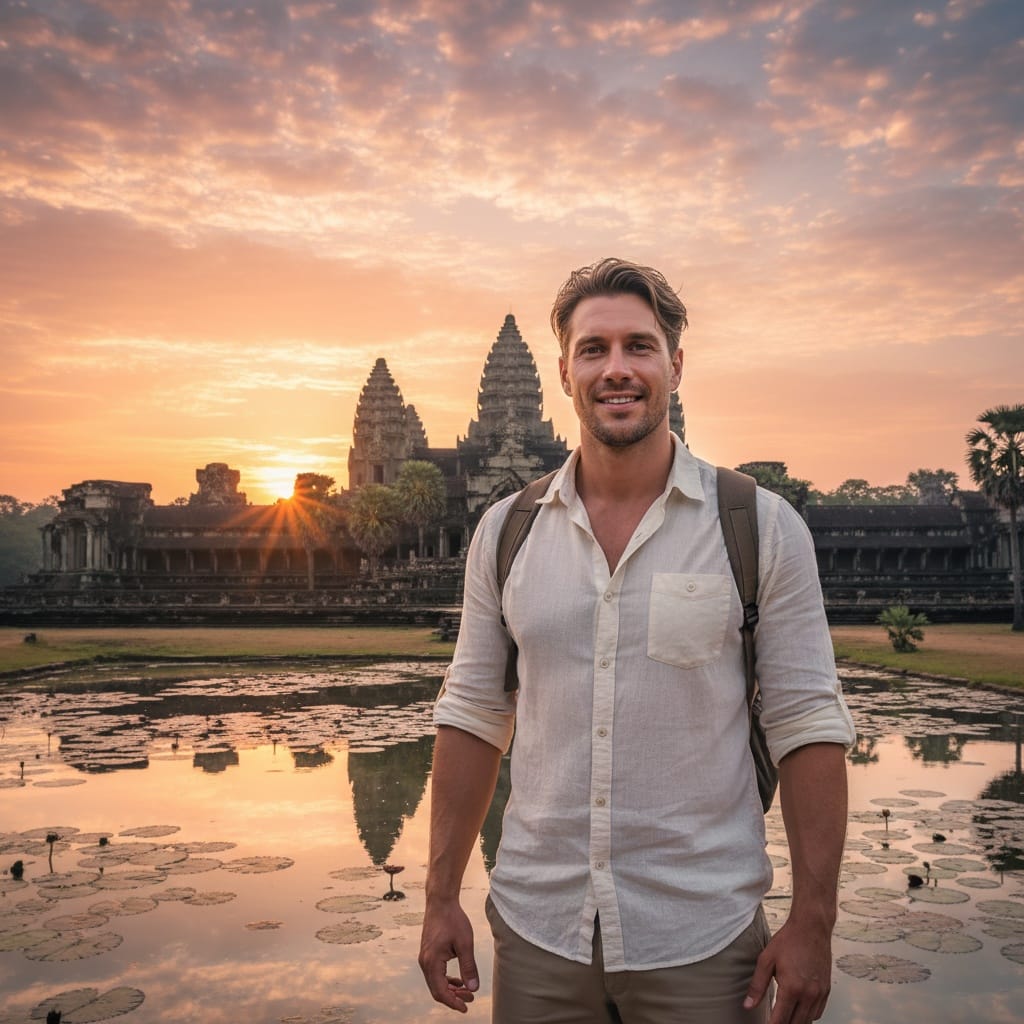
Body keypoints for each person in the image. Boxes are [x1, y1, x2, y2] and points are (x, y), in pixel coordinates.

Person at [419, 258, 856, 1024]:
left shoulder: (759, 527)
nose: (616, 369)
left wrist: (813, 921)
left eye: (639, 347)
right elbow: (473, 716)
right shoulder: (505, 532)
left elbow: (807, 727)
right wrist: (439, 895)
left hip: (702, 933)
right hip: (537, 926)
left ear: (675, 365)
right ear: (562, 372)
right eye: (594, 350)